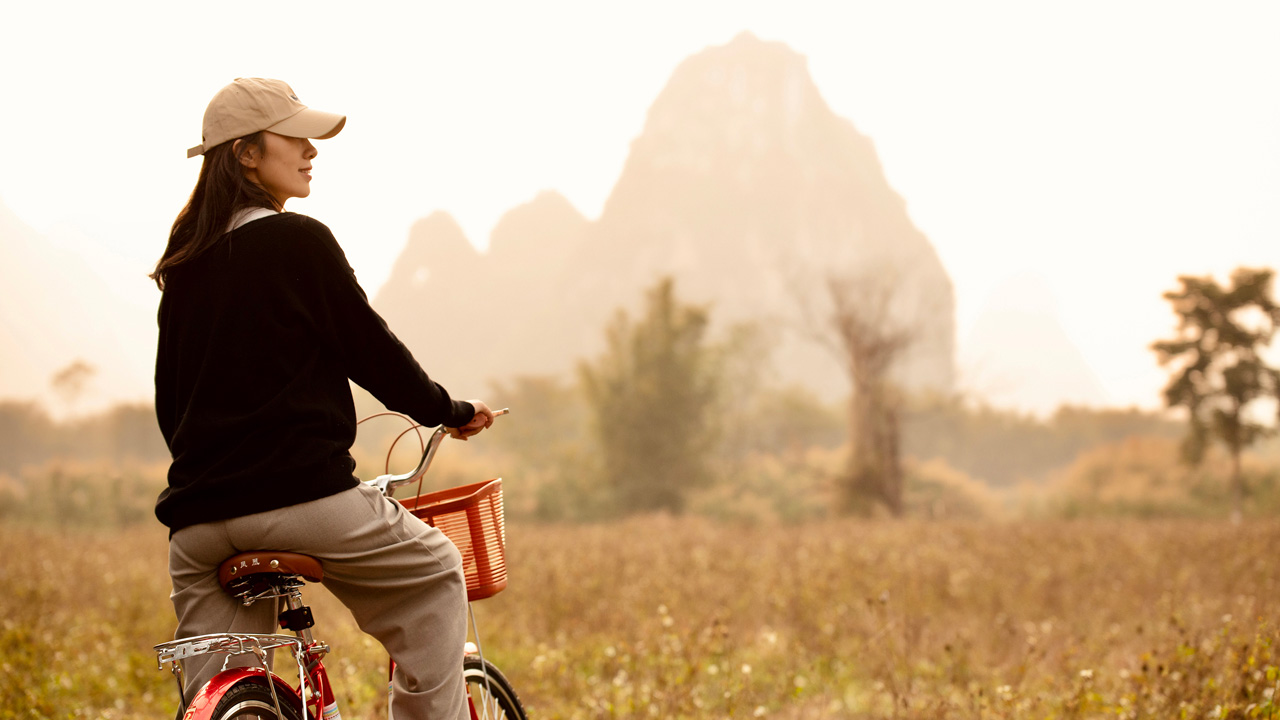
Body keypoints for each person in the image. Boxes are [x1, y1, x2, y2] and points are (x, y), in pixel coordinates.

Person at [151, 77, 493, 720]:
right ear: (246, 154)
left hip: (197, 526)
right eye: (295, 138)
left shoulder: (185, 263)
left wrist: (215, 471)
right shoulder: (298, 240)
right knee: (437, 572)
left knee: (219, 682)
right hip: (302, 501)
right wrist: (448, 411)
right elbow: (371, 352)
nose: (312, 151)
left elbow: (172, 403)